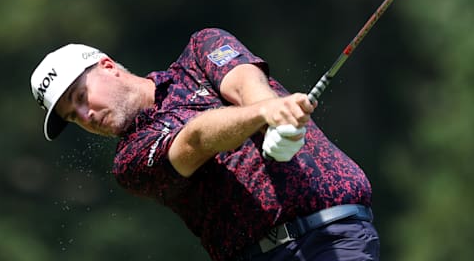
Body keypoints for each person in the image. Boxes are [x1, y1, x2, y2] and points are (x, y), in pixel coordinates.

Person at [30, 28, 379, 260]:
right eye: (74, 116)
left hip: (333, 237)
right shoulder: (130, 162)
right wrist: (263, 114)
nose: (85, 114)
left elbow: (244, 81)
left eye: (80, 96)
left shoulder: (199, 50)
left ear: (107, 66)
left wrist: (274, 113)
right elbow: (195, 139)